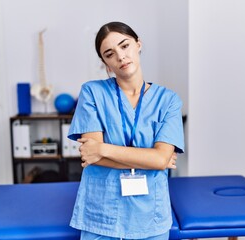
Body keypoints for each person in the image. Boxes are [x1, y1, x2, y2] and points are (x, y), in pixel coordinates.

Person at [68, 21, 185, 240]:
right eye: (110, 54)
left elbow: (159, 160)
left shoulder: (168, 100)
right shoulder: (92, 92)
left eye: (125, 46)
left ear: (138, 44)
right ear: (105, 62)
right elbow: (91, 156)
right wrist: (151, 159)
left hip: (150, 217)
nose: (121, 57)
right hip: (100, 214)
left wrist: (102, 149)